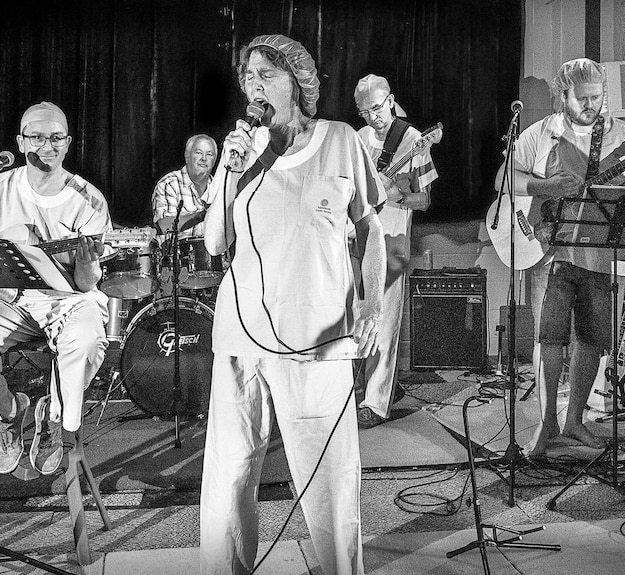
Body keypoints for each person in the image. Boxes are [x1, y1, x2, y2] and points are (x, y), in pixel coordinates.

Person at [199, 34, 386, 575]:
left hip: (318, 339)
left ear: (298, 83)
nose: (254, 86)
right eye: (248, 77)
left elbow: (372, 230)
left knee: (328, 482)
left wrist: (371, 305)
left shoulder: (340, 140)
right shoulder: (240, 151)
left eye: (267, 75)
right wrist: (230, 171)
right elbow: (216, 242)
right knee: (229, 478)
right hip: (240, 339)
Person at [494, 58, 625, 457]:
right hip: (549, 250)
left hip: (599, 252)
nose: (590, 106)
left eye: (597, 97)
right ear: (562, 95)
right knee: (549, 339)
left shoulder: (624, 134)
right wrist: (543, 185)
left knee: (591, 339)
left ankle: (575, 420)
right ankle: (547, 425)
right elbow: (503, 180)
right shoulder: (540, 132)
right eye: (581, 98)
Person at [0, 101, 112, 476]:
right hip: (7, 298)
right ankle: (8, 411)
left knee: (89, 337)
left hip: (66, 299)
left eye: (57, 137)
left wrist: (88, 262)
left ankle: (52, 416)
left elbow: (86, 283)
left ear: (68, 141)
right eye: (38, 137)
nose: (48, 146)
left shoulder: (88, 200)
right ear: (19, 140)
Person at [352, 74, 438, 429]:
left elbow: (426, 199)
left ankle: (376, 403)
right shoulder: (357, 140)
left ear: (390, 100)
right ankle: (376, 388)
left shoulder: (413, 139)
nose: (374, 117)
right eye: (365, 111)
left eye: (377, 107)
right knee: (358, 317)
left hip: (392, 240)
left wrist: (399, 196)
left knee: (384, 322)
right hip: (356, 238)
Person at [152, 133, 218, 237]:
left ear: (214, 161)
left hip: (213, 252)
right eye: (199, 153)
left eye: (209, 154)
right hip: (177, 253)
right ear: (187, 157)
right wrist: (203, 215)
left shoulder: (220, 188)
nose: (204, 158)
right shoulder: (169, 184)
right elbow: (164, 227)